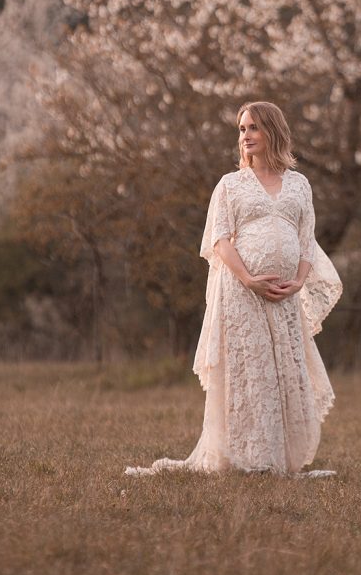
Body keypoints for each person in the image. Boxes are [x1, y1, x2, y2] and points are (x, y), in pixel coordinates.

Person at [124, 100, 342, 477]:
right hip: (242, 294)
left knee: (283, 375)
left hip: (285, 297)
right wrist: (249, 279)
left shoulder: (299, 185)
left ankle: (281, 461)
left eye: (253, 127)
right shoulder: (230, 185)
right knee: (251, 373)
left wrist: (299, 282)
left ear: (273, 131)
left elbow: (307, 242)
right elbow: (220, 240)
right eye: (241, 130)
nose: (246, 136)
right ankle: (251, 459)